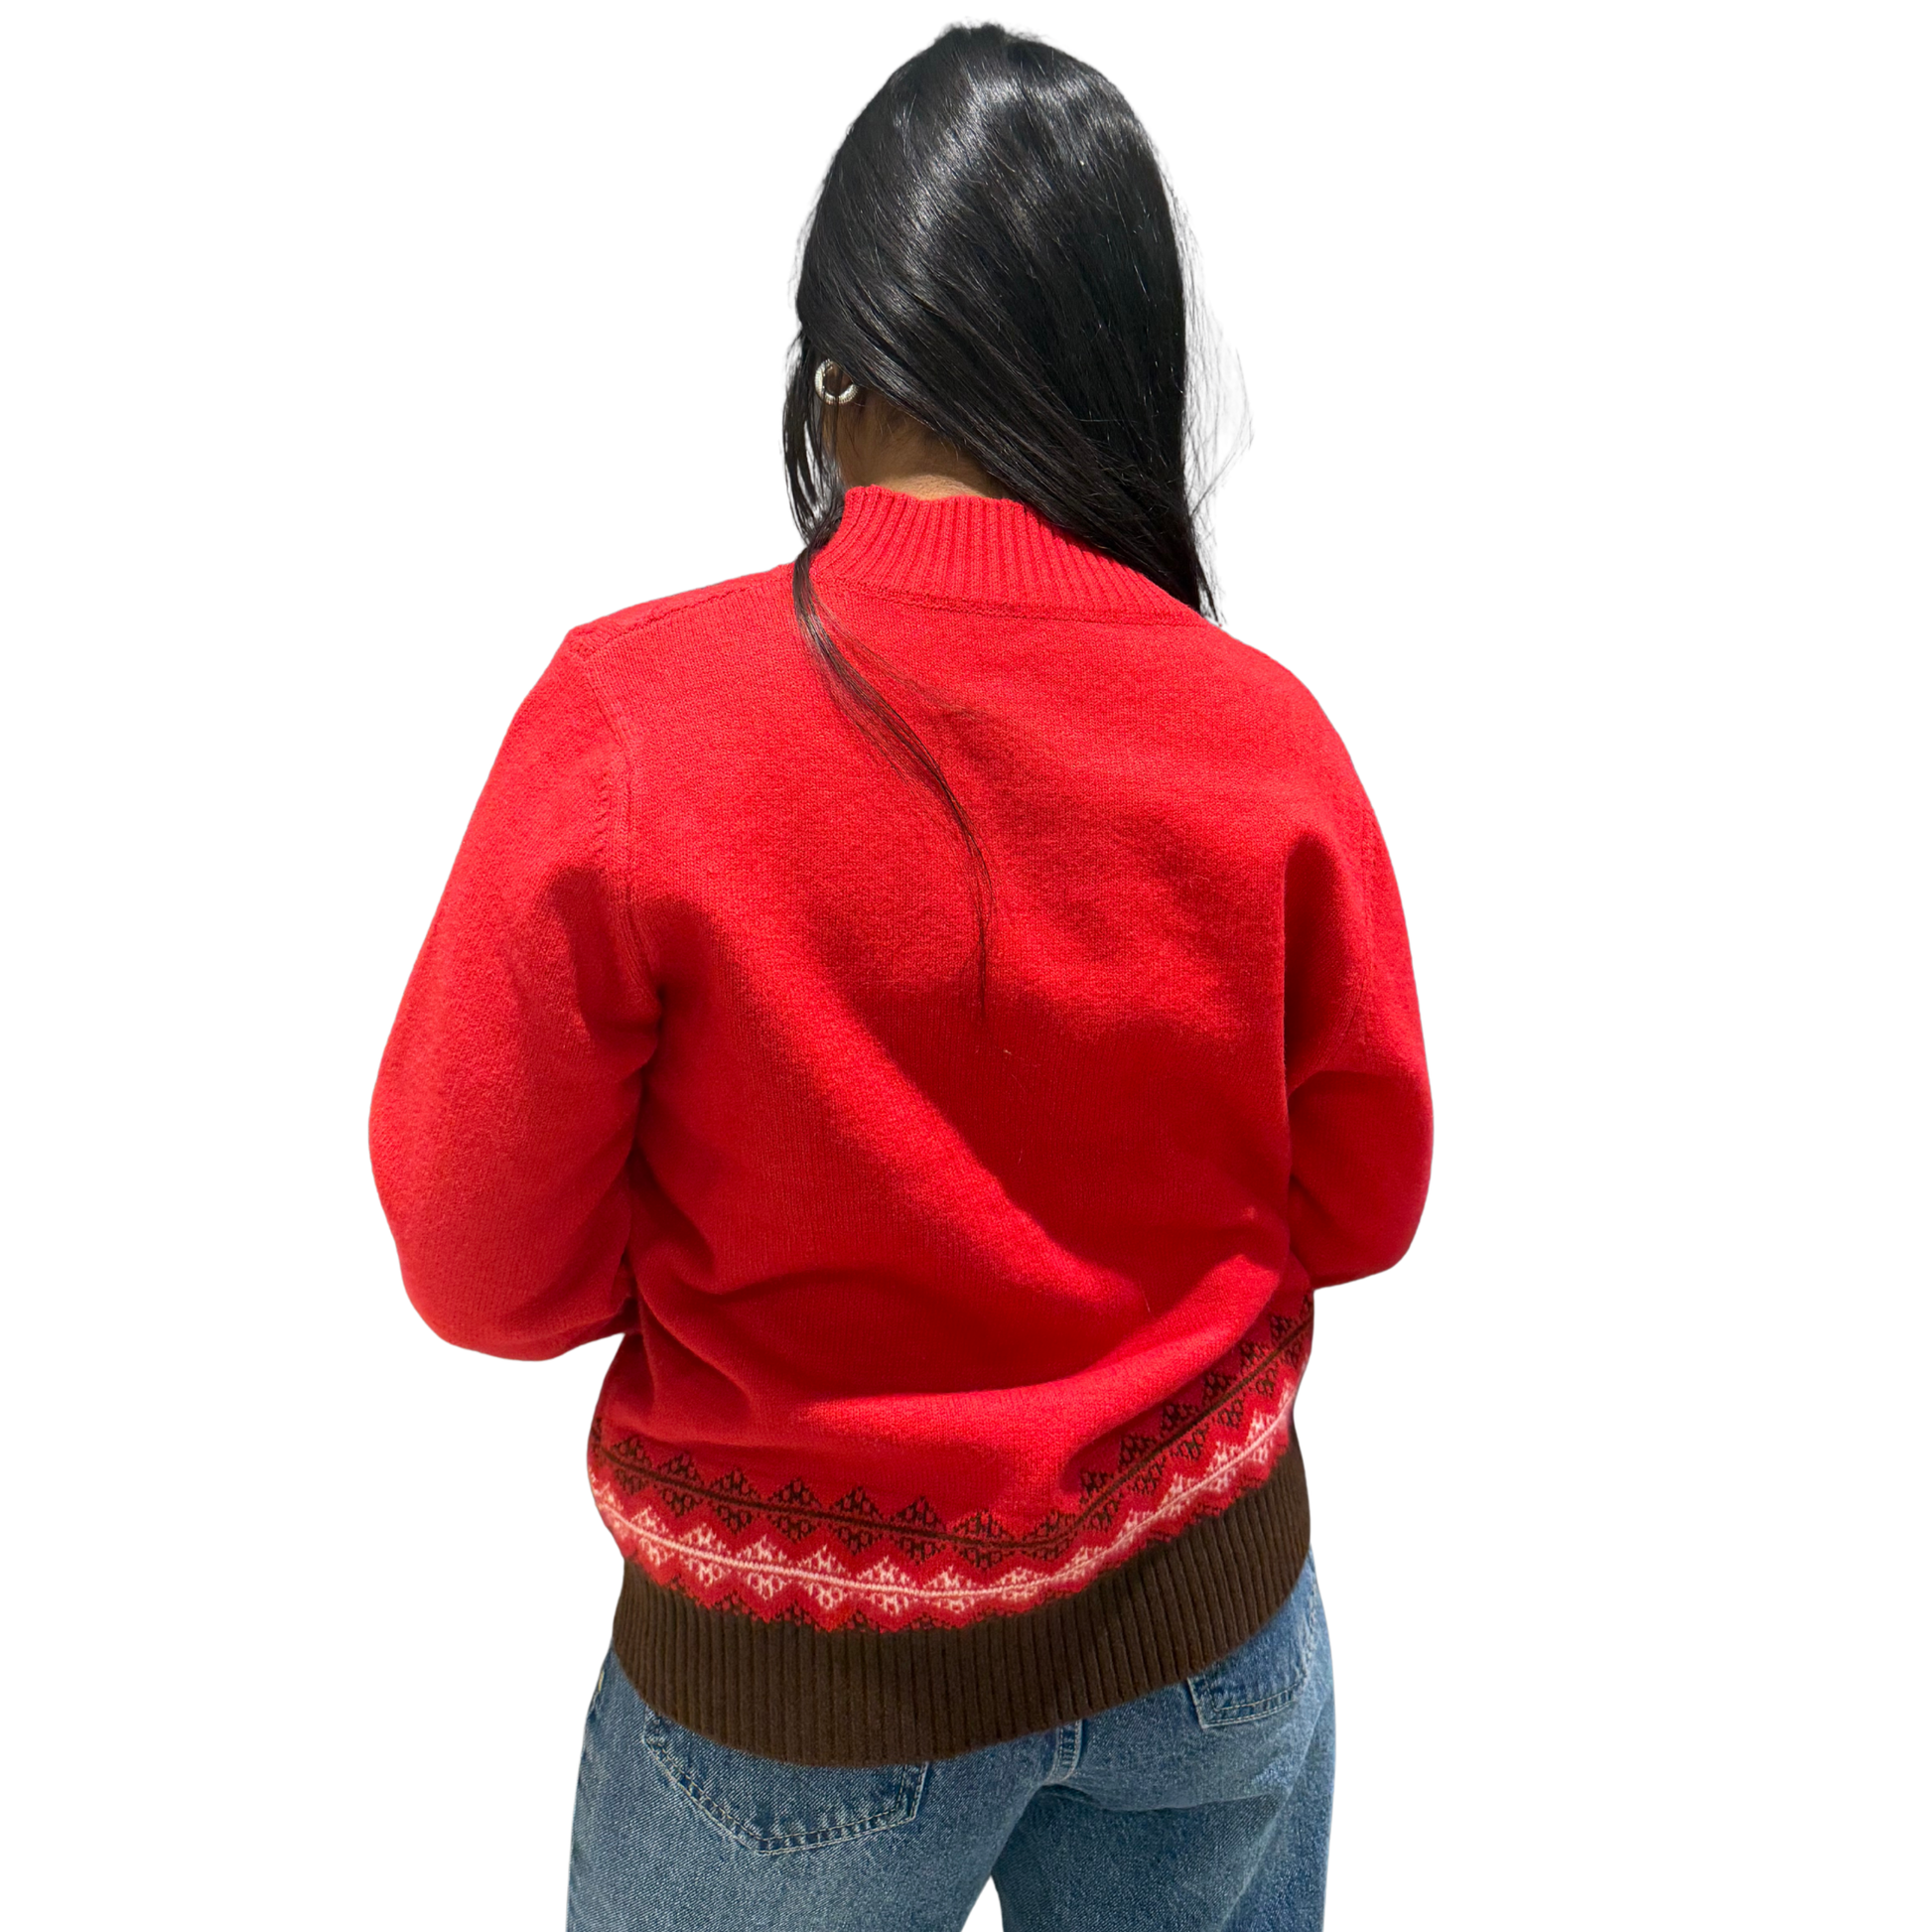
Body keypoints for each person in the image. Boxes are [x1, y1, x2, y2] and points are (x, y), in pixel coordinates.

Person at [369, 24, 1431, 1931]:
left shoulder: (633, 726)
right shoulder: (1262, 734)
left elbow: (479, 1264)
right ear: (1123, 374)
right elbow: (1360, 1202)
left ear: (838, 370)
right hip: (1210, 1640)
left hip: (793, 1701)